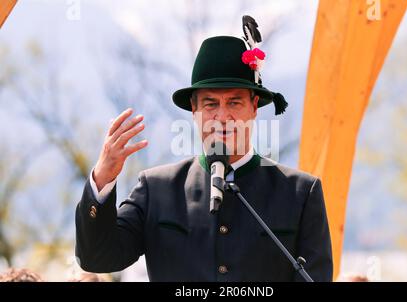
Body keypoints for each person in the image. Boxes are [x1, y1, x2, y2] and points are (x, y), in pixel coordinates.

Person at [75, 19, 332, 281]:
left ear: (254, 107)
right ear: (194, 110)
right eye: (210, 104)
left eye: (234, 102)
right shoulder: (156, 189)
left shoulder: (300, 193)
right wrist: (103, 177)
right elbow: (97, 257)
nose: (223, 116)